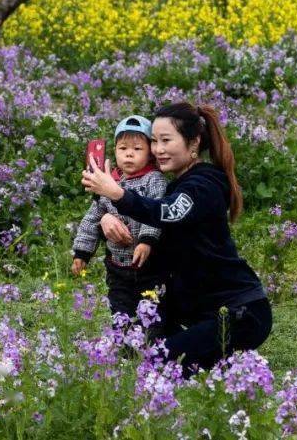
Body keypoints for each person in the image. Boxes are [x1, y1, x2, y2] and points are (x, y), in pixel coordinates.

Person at [81, 102, 272, 376]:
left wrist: (117, 194)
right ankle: (225, 360)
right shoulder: (174, 187)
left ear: (193, 143)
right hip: (198, 314)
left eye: (166, 140)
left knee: (157, 363)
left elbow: (165, 213)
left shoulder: (203, 185)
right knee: (136, 349)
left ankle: (231, 360)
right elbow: (143, 225)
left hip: (240, 312)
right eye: (154, 141)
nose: (158, 149)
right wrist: (105, 219)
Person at [71, 115, 170, 324]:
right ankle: (123, 352)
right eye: (123, 148)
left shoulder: (154, 179)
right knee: (119, 310)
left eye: (137, 149)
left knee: (152, 312)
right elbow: (91, 220)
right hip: (117, 267)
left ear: (150, 153)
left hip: (149, 266)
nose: (129, 154)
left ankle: (151, 348)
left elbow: (156, 210)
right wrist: (81, 253)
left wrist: (146, 241)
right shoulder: (108, 182)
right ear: (114, 151)